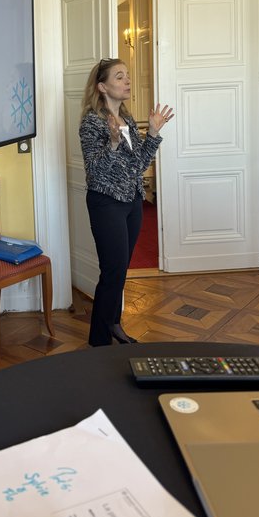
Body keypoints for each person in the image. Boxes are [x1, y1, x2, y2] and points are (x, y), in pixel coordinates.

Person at [79, 58, 174, 346]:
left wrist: (153, 133)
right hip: (106, 203)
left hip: (132, 201)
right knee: (112, 271)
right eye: (119, 77)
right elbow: (95, 169)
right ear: (102, 86)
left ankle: (114, 325)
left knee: (120, 271)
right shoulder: (92, 122)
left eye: (127, 75)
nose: (127, 81)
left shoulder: (128, 120)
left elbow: (138, 164)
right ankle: (99, 341)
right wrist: (112, 143)